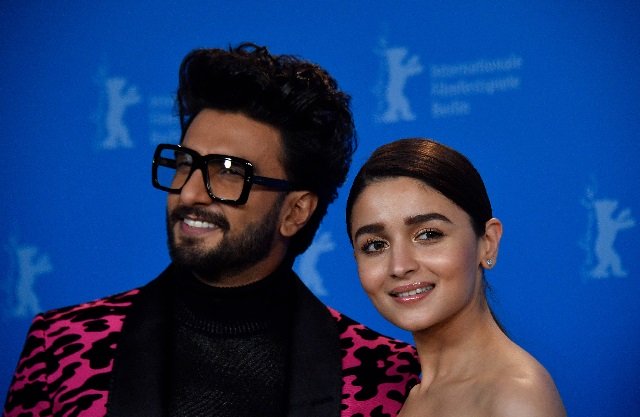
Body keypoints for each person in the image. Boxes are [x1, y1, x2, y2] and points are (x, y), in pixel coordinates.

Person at [4, 44, 420, 417]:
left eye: (226, 172)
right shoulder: (61, 347)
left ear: (295, 211)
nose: (188, 194)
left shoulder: (385, 378)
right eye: (185, 163)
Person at [346, 138, 566, 417]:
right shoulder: (409, 393)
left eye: (428, 234)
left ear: (488, 242)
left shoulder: (515, 399)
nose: (399, 266)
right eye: (375, 245)